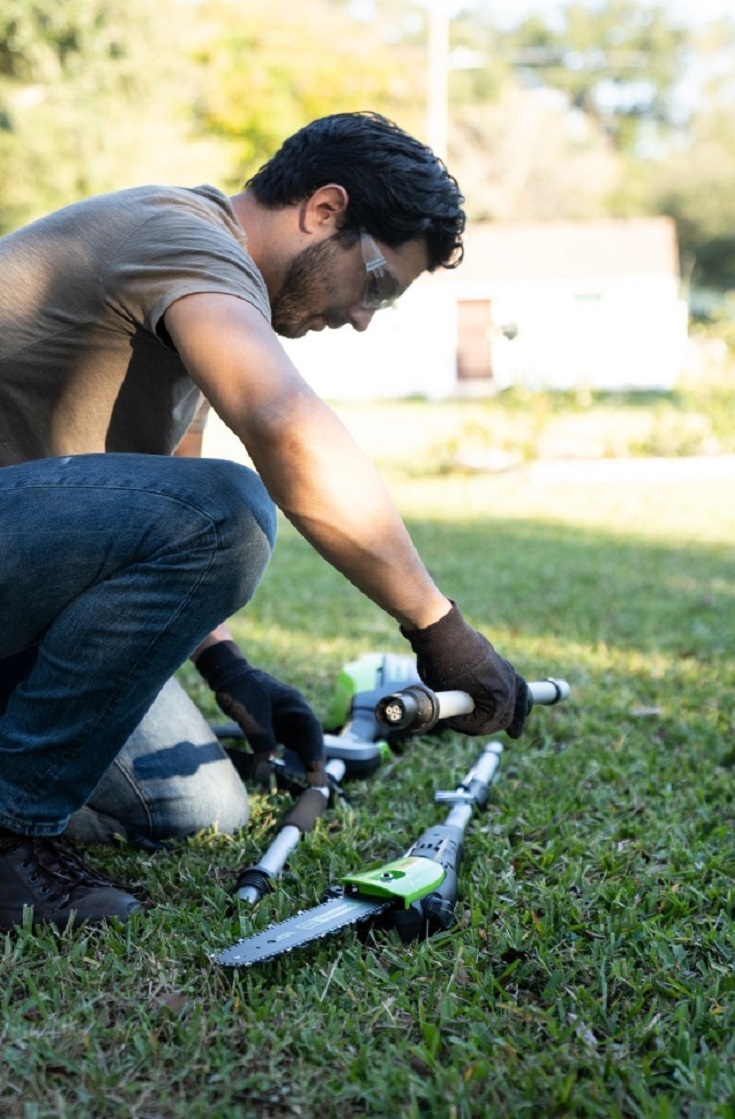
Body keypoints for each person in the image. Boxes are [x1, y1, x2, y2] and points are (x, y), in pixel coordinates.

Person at [0, 111, 532, 932]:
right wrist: (438, 625)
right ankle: (10, 834)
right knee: (231, 510)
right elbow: (279, 427)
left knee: (199, 807)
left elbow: (158, 494)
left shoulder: (201, 303)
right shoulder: (182, 237)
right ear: (323, 211)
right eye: (378, 284)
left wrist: (227, 667)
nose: (362, 316)